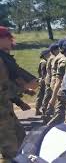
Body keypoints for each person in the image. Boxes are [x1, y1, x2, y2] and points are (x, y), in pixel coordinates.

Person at [0, 26, 38, 161]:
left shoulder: (3, 58)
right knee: (10, 150)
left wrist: (19, 100)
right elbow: (3, 86)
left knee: (21, 140)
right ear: (2, 39)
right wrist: (24, 87)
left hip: (6, 111)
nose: (11, 43)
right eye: (9, 39)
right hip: (2, 115)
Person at [47, 40, 66, 126]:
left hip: (59, 88)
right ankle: (47, 130)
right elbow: (59, 79)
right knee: (61, 114)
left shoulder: (61, 58)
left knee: (62, 113)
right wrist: (53, 98)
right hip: (62, 90)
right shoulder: (65, 60)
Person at [41, 43, 59, 117]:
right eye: (58, 49)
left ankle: (46, 111)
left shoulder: (52, 57)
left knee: (49, 95)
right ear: (54, 50)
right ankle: (45, 111)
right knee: (48, 96)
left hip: (50, 79)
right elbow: (49, 70)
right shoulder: (52, 58)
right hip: (50, 80)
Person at [35, 49, 50, 115]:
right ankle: (40, 109)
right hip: (43, 80)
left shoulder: (43, 61)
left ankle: (38, 109)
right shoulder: (44, 62)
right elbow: (43, 73)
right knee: (43, 95)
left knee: (41, 95)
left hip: (41, 79)